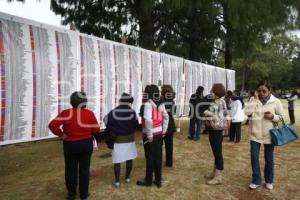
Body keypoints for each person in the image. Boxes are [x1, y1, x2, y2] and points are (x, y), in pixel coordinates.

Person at [48, 91, 100, 200]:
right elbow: (96, 129)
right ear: (84, 102)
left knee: (70, 169)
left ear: (71, 102)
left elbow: (52, 125)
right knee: (84, 169)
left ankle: (71, 194)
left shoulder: (66, 113)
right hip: (86, 144)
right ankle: (84, 194)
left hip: (70, 144)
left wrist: (62, 135)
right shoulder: (89, 113)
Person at [245, 80, 283, 190]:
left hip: (269, 135)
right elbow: (247, 113)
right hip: (254, 135)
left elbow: (281, 118)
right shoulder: (253, 100)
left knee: (269, 159)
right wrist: (254, 99)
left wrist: (272, 117)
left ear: (269, 90)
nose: (261, 93)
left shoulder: (276, 101)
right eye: (259, 90)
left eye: (264, 91)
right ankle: (256, 180)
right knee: (254, 157)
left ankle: (269, 180)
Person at [103, 93, 139, 188]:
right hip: (130, 139)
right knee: (129, 158)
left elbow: (105, 120)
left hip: (118, 139)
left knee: (117, 161)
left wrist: (113, 128)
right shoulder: (132, 112)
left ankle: (117, 181)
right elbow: (136, 125)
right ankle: (127, 178)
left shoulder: (114, 111)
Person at [137, 84, 169, 188]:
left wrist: (150, 134)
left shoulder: (147, 104)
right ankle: (158, 180)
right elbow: (166, 117)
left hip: (150, 135)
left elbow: (148, 120)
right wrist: (163, 130)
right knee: (158, 157)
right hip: (159, 133)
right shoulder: (161, 104)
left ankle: (148, 180)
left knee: (150, 157)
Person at [203, 83, 229, 185]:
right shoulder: (222, 101)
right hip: (219, 129)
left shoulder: (215, 103)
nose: (210, 92)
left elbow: (207, 113)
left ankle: (218, 176)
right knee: (216, 152)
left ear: (216, 93)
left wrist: (207, 112)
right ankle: (215, 173)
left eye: (212, 91)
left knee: (217, 153)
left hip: (215, 130)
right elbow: (225, 113)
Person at [160, 85, 176, 167]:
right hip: (170, 125)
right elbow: (173, 113)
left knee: (159, 145)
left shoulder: (161, 102)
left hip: (162, 125)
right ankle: (169, 163)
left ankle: (159, 161)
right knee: (169, 145)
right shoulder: (172, 102)